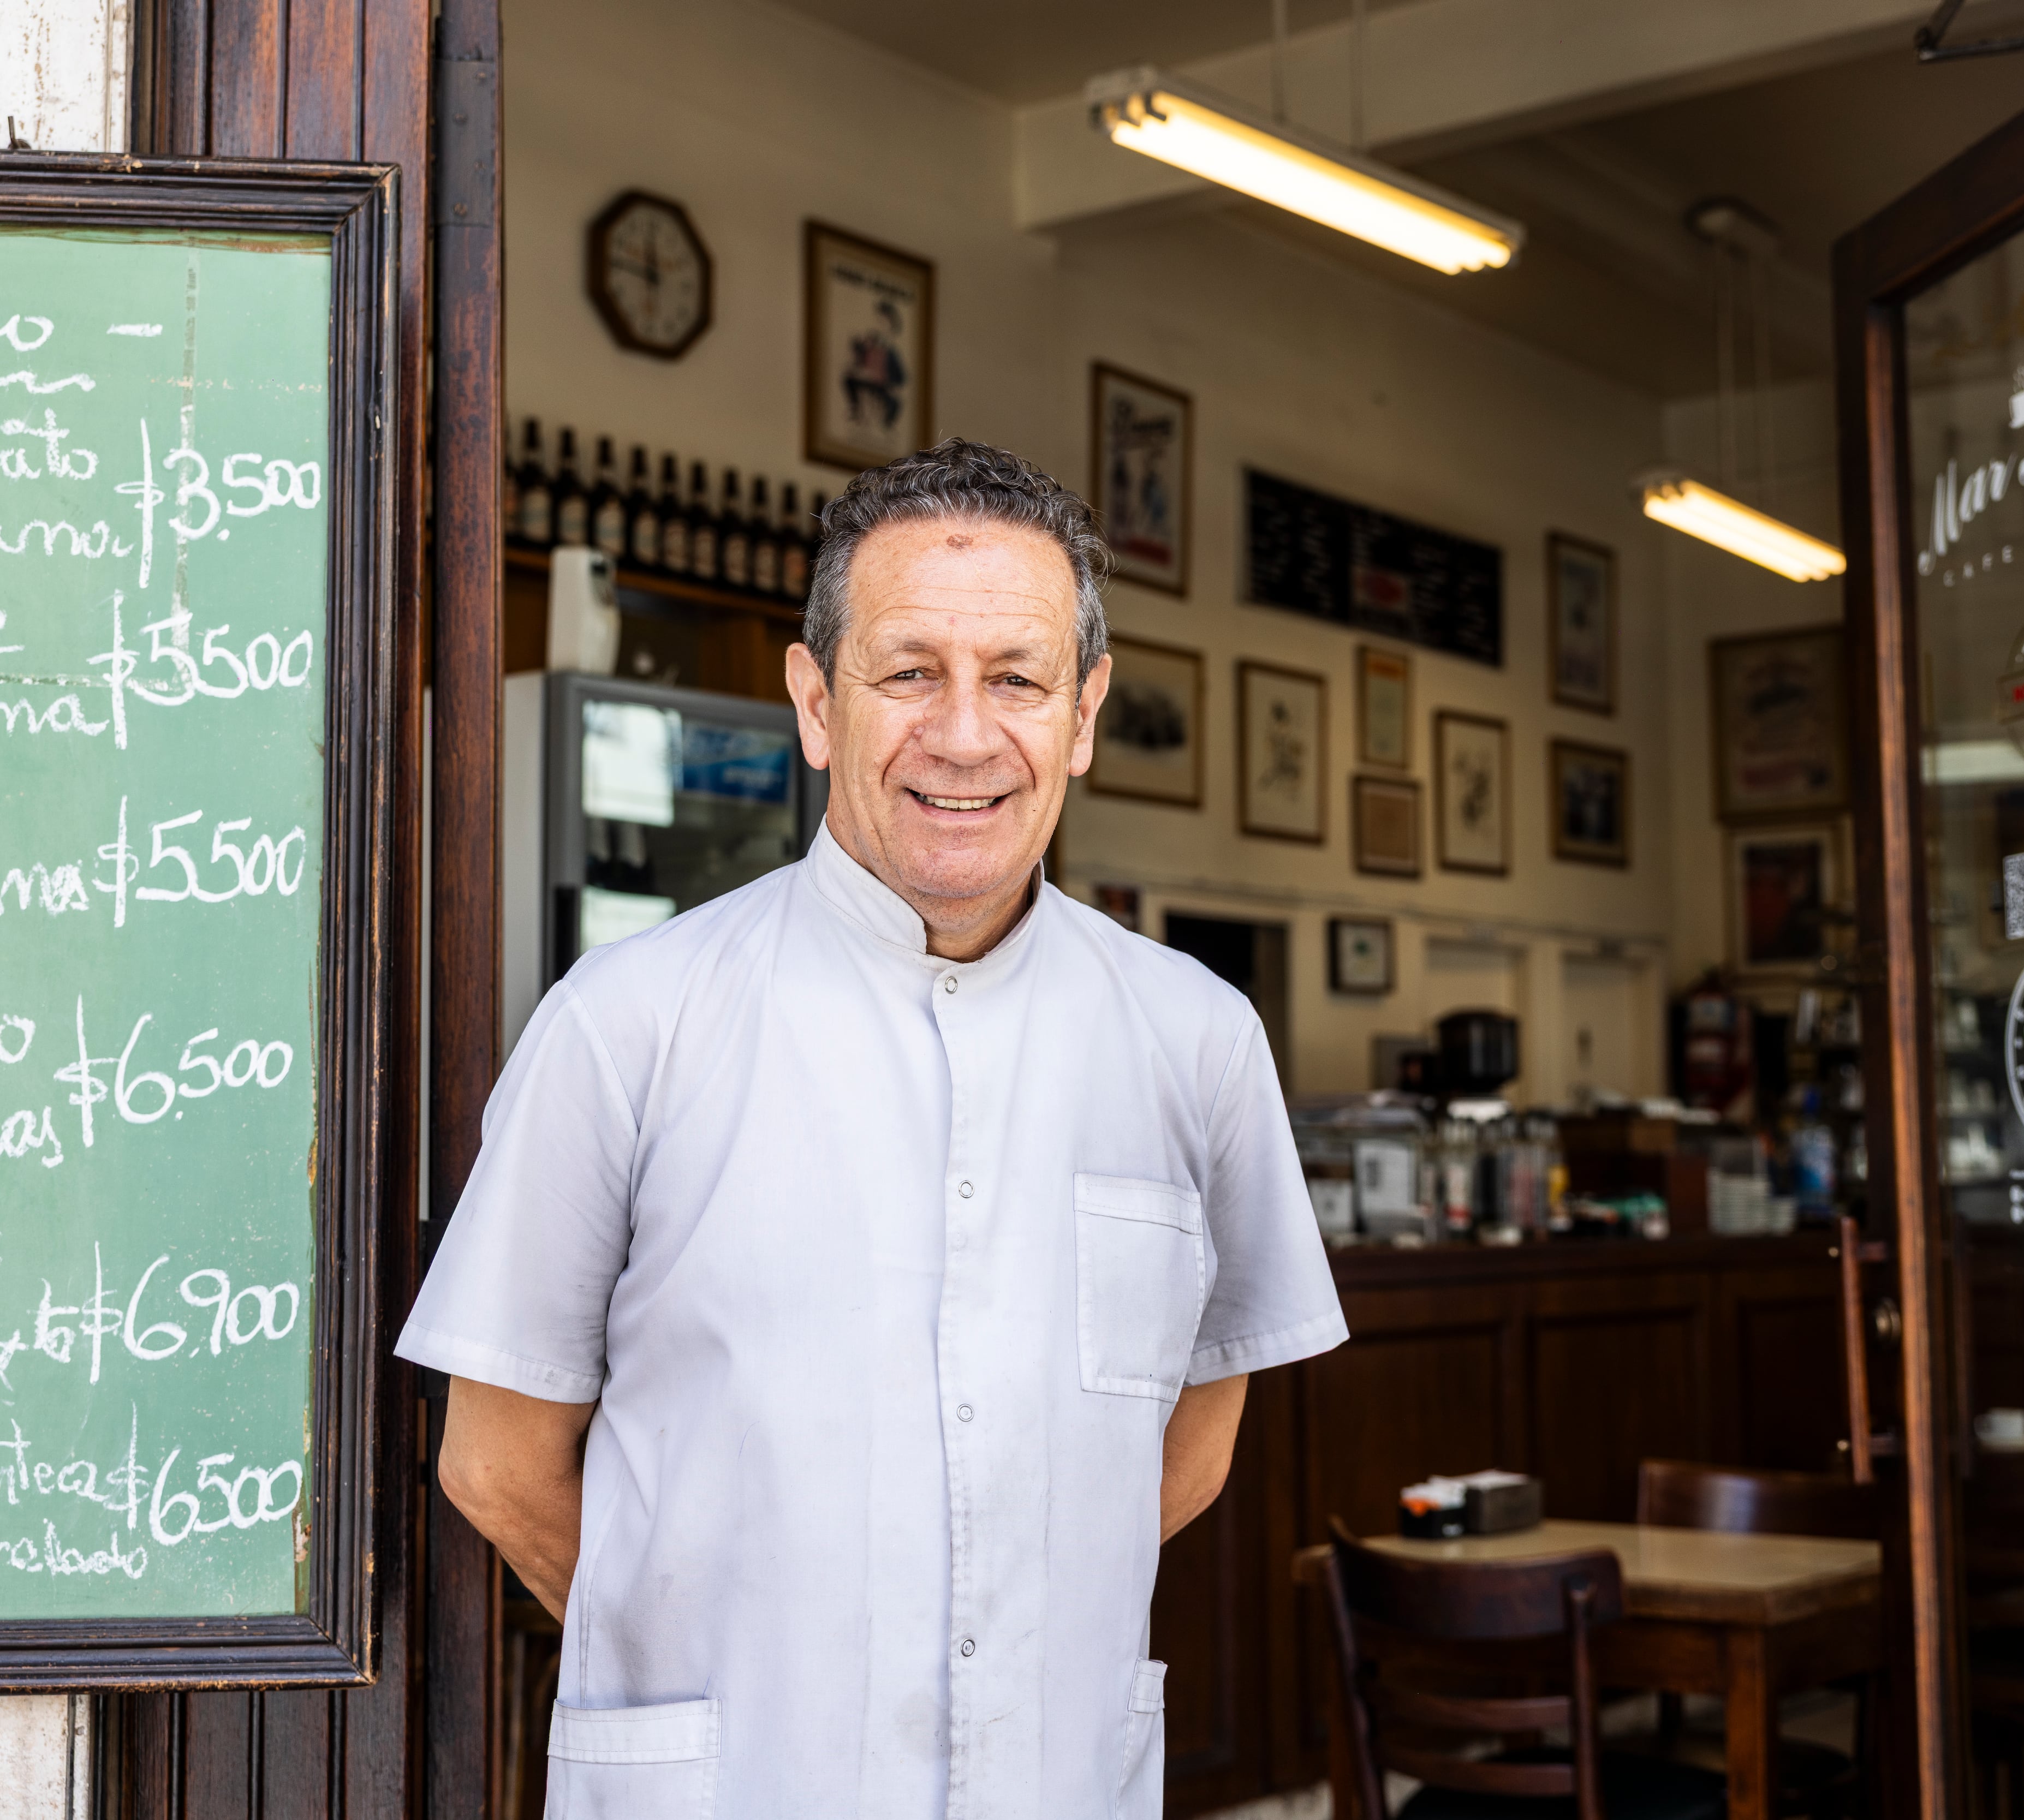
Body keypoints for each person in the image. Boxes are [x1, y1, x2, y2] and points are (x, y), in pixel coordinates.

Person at [397, 437, 1346, 1819]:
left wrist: (998, 1614)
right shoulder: (630, 1021)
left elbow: (1202, 1415)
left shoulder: (1194, 1037)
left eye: (1015, 680)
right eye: (908, 673)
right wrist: (723, 1660)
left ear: (1081, 715)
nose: (964, 735)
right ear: (815, 701)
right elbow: (496, 1461)